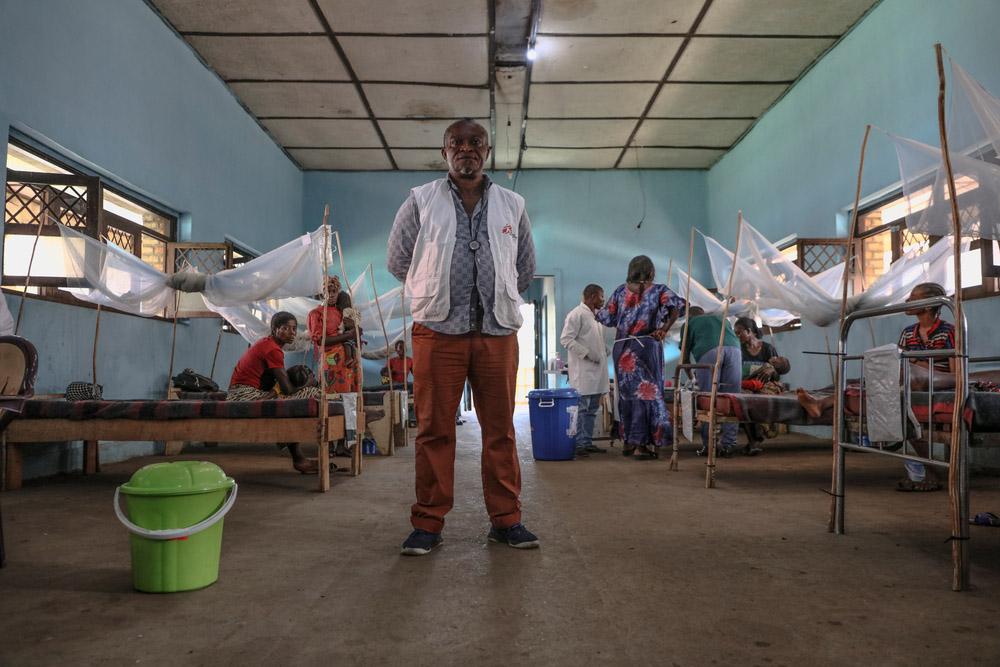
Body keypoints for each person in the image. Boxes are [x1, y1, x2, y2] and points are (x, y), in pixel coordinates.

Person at [387, 118, 537, 555]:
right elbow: (399, 259)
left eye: (476, 143)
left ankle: (506, 520)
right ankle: (428, 524)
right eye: (457, 143)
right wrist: (434, 288)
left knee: (500, 430)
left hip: (497, 331)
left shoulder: (512, 204)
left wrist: (497, 292)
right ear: (445, 152)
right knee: (434, 429)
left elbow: (524, 266)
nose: (466, 150)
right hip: (437, 330)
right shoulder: (420, 201)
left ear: (487, 152)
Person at [796, 282, 955, 491]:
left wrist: (919, 366)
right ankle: (822, 403)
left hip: (937, 381)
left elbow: (955, 373)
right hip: (907, 382)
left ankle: (822, 403)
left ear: (927, 305)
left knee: (897, 379)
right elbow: (898, 361)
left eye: (913, 298)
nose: (906, 302)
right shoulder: (908, 332)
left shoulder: (949, 332)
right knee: (868, 382)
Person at [595, 256, 683, 460]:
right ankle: (642, 445)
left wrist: (594, 308)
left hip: (624, 348)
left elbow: (607, 318)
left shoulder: (620, 291)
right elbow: (678, 306)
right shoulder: (660, 290)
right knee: (649, 394)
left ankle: (629, 441)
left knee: (628, 396)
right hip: (647, 346)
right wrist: (664, 328)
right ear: (651, 271)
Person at [227, 311, 324, 474]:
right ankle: (299, 458)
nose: (292, 332)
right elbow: (288, 390)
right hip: (243, 395)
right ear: (275, 329)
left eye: (294, 329)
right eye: (286, 328)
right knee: (312, 393)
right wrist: (308, 383)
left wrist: (275, 391)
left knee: (288, 404)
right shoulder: (272, 349)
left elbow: (279, 385)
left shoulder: (267, 344)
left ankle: (298, 458)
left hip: (242, 392)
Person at [680, 306, 743, 457]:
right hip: (735, 350)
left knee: (708, 400)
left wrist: (691, 378)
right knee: (732, 399)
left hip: (709, 352)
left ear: (689, 316)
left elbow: (684, 357)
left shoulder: (688, 324)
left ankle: (709, 446)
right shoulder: (721, 318)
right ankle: (729, 445)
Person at [560, 283, 610, 458]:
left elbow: (593, 339)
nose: (603, 300)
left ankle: (587, 442)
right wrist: (587, 354)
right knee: (582, 409)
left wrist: (605, 349)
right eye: (601, 296)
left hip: (597, 372)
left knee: (592, 409)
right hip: (583, 371)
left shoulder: (595, 316)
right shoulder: (576, 314)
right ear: (592, 297)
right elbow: (565, 339)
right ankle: (579, 443)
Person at [734, 316, 785, 455]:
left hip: (765, 386)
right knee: (743, 400)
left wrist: (772, 370)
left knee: (763, 400)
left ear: (749, 331)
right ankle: (754, 441)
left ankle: (756, 439)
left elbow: (778, 374)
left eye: (740, 333)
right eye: (736, 333)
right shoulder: (739, 350)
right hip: (747, 385)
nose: (737, 336)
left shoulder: (768, 349)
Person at [308, 276, 361, 394]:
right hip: (331, 361)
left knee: (351, 397)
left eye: (334, 291)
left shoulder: (342, 311)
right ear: (322, 294)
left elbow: (353, 329)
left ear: (338, 293)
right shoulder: (316, 314)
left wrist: (355, 332)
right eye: (327, 291)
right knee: (332, 397)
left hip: (348, 361)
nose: (331, 295)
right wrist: (348, 336)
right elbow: (320, 340)